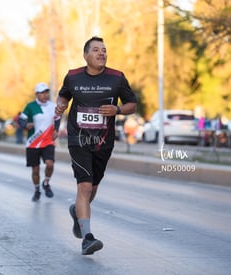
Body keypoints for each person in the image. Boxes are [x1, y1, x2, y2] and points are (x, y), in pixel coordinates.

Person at [55, 36, 137, 255]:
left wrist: (117, 110)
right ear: (85, 55)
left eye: (104, 50)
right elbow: (63, 96)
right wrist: (61, 106)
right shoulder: (72, 76)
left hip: (103, 141)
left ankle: (77, 212)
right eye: (96, 50)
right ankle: (87, 238)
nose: (101, 53)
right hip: (78, 139)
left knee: (93, 187)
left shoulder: (117, 78)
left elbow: (132, 104)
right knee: (85, 186)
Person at [19, 82, 60, 202]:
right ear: (36, 94)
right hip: (33, 142)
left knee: (50, 164)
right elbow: (21, 120)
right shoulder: (30, 106)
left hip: (48, 141)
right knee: (35, 170)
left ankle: (46, 183)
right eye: (42, 92)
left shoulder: (53, 106)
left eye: (46, 92)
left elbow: (57, 118)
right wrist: (26, 125)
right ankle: (37, 190)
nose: (44, 95)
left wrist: (56, 130)